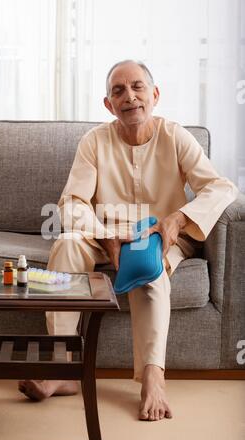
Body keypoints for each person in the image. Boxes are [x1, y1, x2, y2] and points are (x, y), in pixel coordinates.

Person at [19, 60, 238, 421]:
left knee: (150, 274)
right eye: (118, 91)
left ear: (154, 95)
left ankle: (153, 379)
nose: (129, 96)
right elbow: (72, 203)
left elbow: (221, 187)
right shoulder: (94, 141)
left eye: (137, 87)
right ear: (108, 104)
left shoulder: (175, 136)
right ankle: (61, 369)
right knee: (67, 244)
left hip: (160, 238)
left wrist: (177, 218)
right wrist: (105, 237)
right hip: (104, 232)